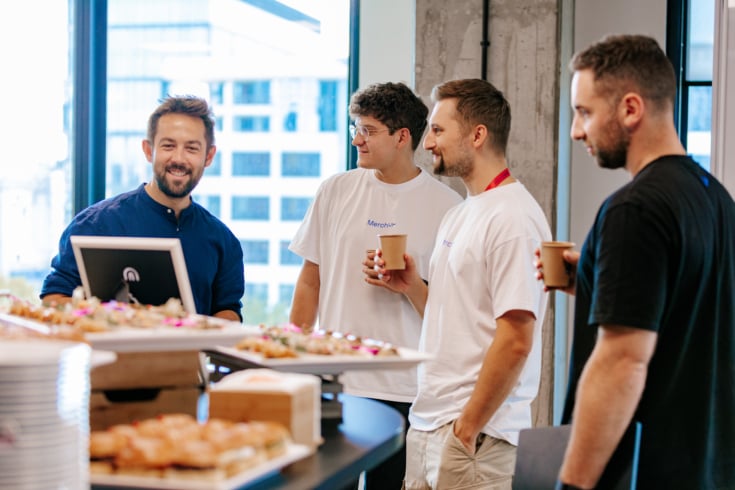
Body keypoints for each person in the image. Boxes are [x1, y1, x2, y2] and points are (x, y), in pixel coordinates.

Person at [538, 34, 735, 489]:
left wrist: (573, 484)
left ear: (630, 108)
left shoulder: (635, 210)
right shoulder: (715, 199)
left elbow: (622, 362)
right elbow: (687, 311)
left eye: (584, 112)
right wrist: (592, 281)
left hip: (645, 473)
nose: (576, 130)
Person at [365, 78, 551, 489]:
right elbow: (456, 318)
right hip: (429, 425)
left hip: (476, 440)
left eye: (438, 130)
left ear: (478, 135)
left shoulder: (513, 219)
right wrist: (412, 286)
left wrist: (466, 431)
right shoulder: (463, 212)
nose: (427, 142)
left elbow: (517, 338)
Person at [288, 81, 463, 489]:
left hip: (406, 387)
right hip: (335, 380)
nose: (356, 140)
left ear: (403, 137)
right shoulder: (335, 190)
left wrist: (409, 285)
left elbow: (451, 316)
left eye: (367, 130)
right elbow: (309, 282)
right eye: (355, 128)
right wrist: (294, 360)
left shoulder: (449, 208)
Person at [41, 95, 244, 321]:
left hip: (187, 358)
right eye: (168, 146)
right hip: (109, 357)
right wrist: (113, 318)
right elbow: (53, 298)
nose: (178, 158)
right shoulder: (94, 224)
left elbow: (229, 312)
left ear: (208, 156)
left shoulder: (223, 242)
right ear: (148, 150)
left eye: (191, 148)